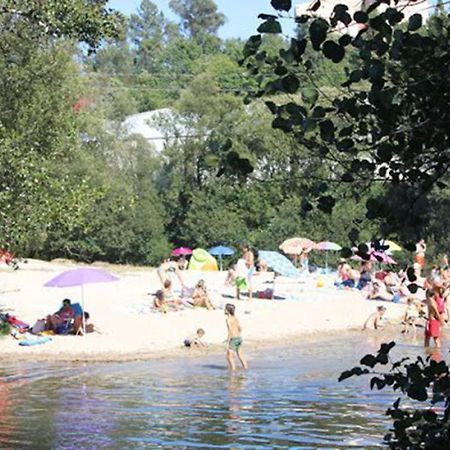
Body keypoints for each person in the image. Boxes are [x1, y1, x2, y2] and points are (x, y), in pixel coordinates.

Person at [225, 303, 248, 370]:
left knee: (229, 356)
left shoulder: (228, 319)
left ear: (227, 310)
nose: (224, 310)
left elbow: (230, 331)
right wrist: (237, 334)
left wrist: (228, 342)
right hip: (239, 338)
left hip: (234, 339)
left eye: (225, 309)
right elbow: (240, 328)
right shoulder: (235, 318)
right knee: (240, 355)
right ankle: (245, 368)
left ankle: (233, 371)